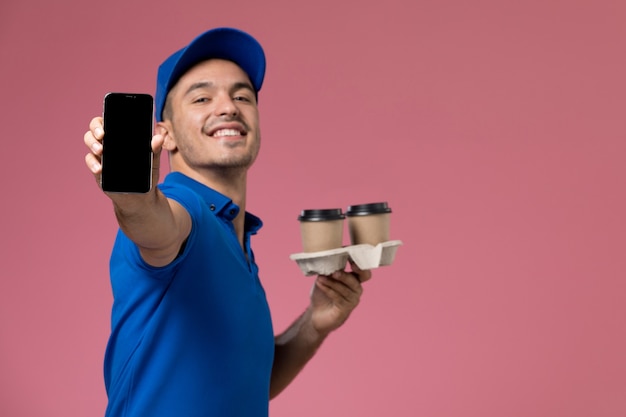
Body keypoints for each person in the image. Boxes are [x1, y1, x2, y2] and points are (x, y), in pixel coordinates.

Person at [83, 27, 371, 417]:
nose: (229, 107)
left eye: (242, 96)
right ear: (164, 135)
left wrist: (314, 323)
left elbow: (250, 384)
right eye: (202, 97)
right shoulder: (184, 209)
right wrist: (134, 197)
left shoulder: (237, 237)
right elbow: (155, 224)